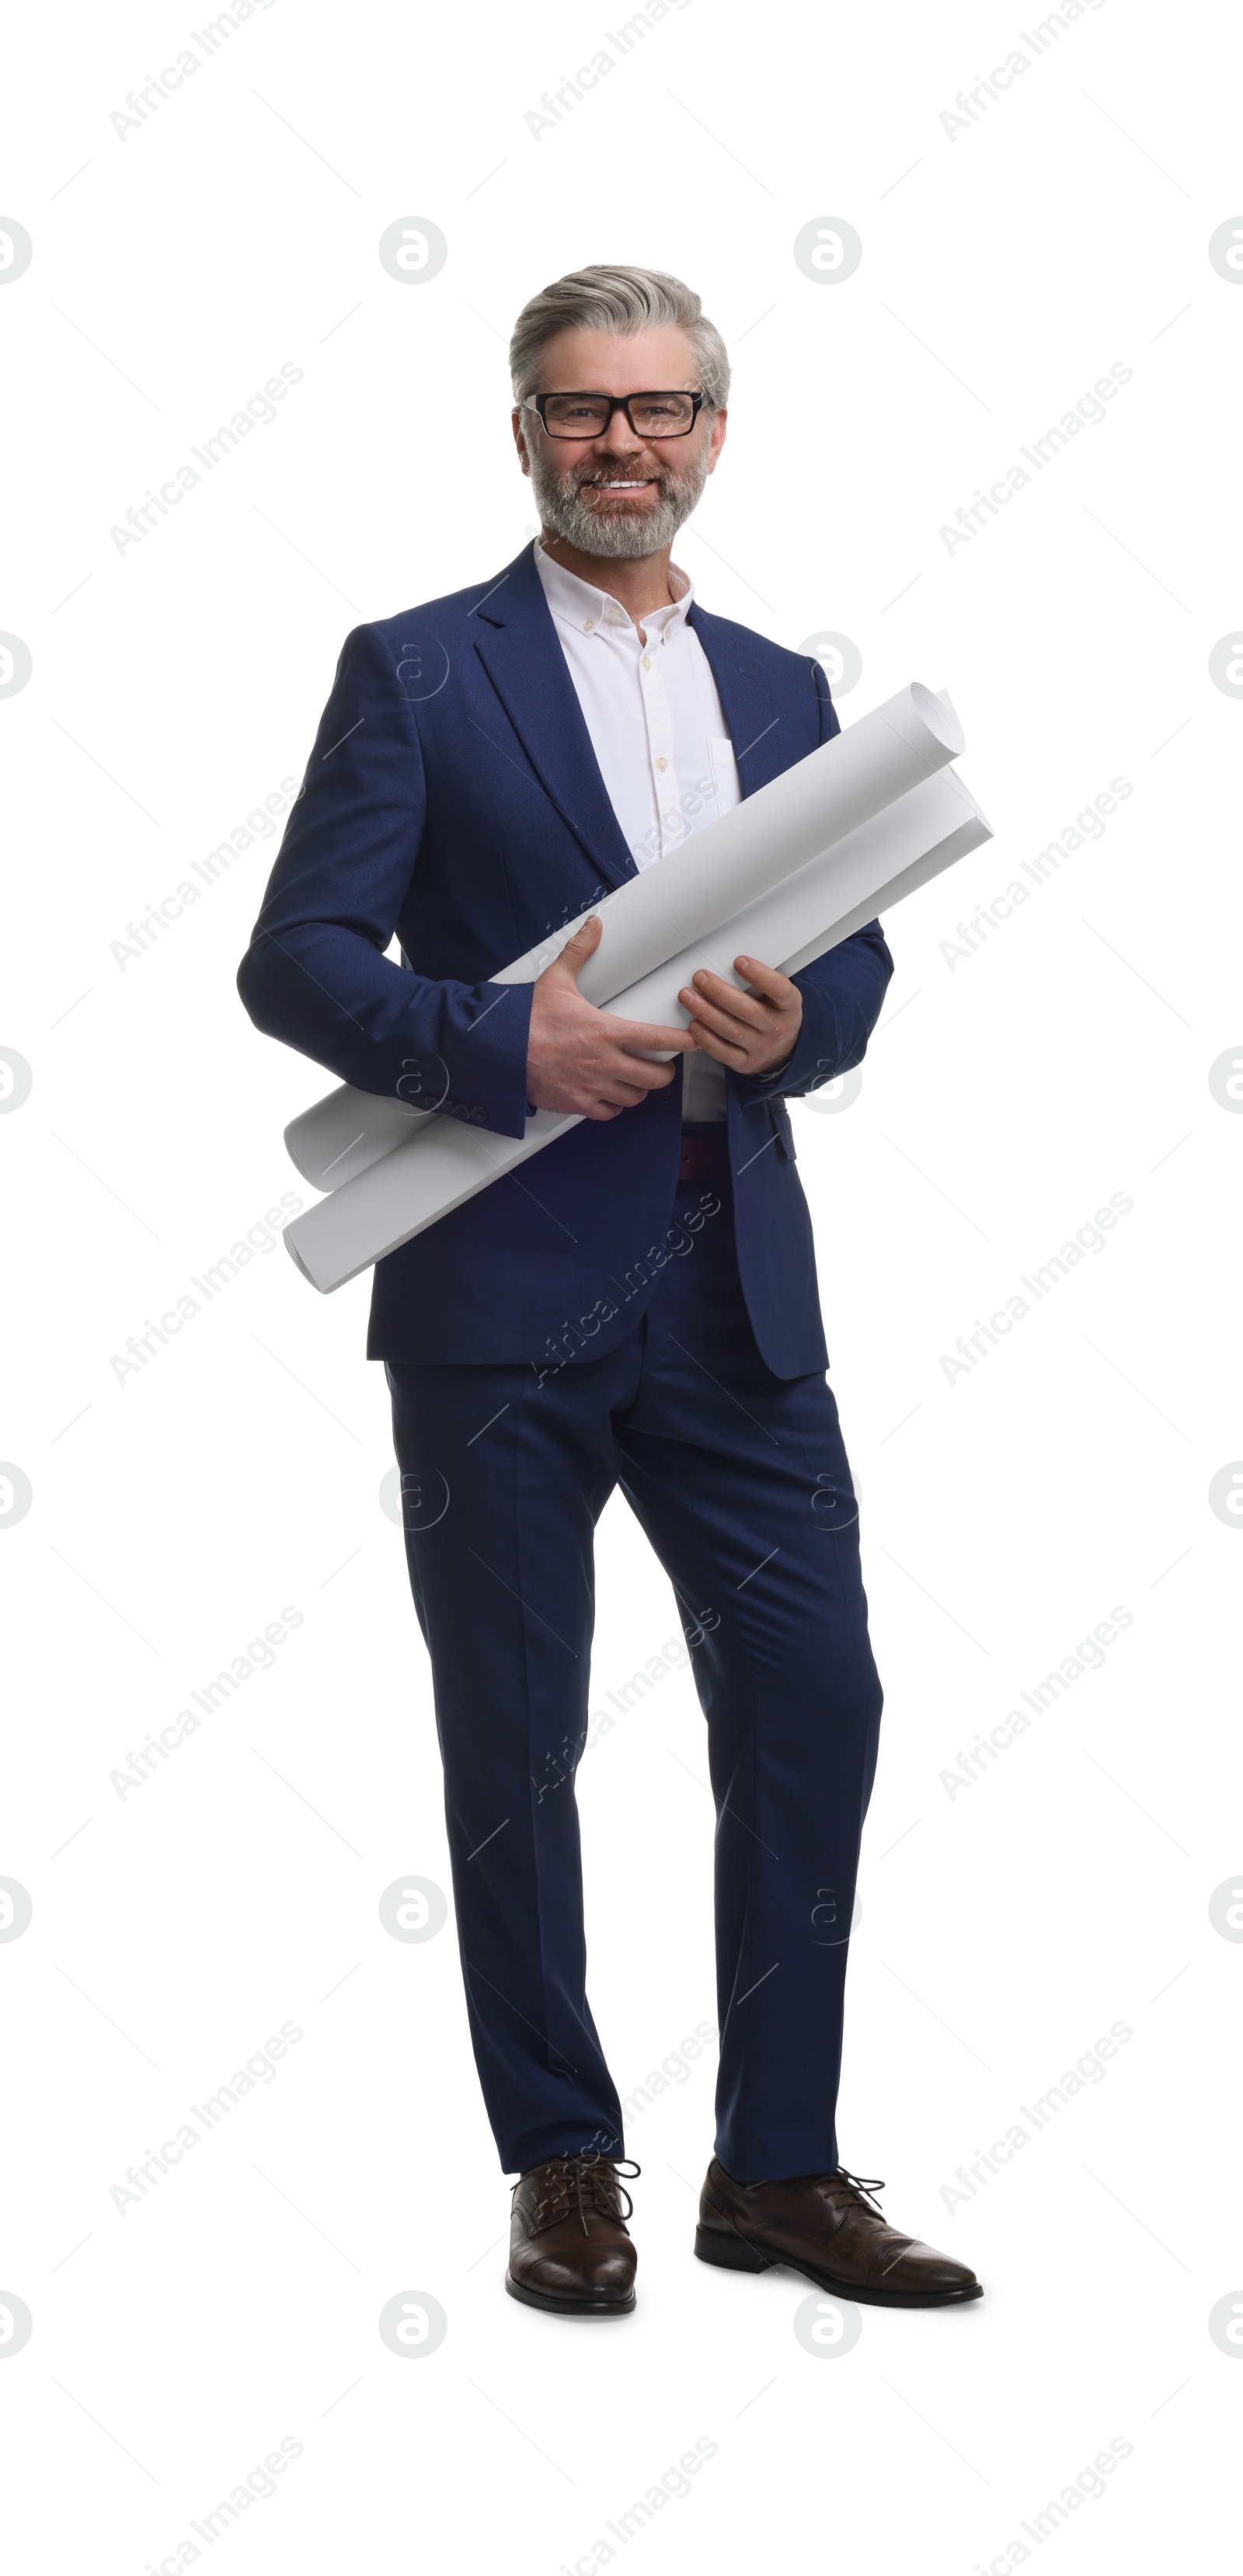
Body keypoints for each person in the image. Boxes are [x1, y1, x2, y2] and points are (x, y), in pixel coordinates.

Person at [237, 263, 981, 2319]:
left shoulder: (776, 686)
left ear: (715, 434)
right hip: (495, 1287)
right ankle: (563, 2161)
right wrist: (500, 1050)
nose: (623, 443)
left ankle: (782, 2166)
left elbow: (854, 967)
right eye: (583, 410)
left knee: (818, 1700)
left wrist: (784, 1025)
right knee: (516, 1742)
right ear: (525, 431)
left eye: (660, 410)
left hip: (737, 1283)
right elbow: (298, 958)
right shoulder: (417, 670)